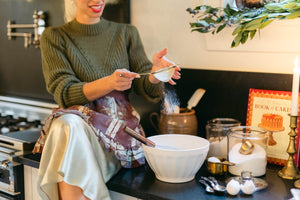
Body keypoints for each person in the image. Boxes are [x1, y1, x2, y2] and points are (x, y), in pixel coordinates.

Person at [32, 0, 181, 200]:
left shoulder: (126, 32)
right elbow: (64, 93)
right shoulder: (54, 37)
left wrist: (155, 75)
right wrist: (109, 83)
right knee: (67, 123)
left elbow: (147, 88)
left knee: (65, 127)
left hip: (116, 137)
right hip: (80, 132)